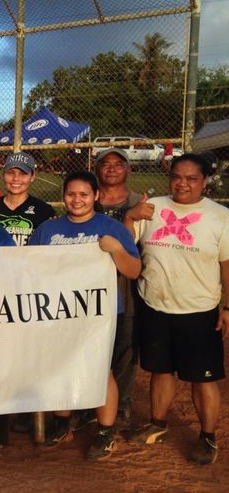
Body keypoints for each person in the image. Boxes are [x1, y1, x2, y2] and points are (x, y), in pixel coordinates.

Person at [28, 171, 141, 460]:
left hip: (99, 312)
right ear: (63, 196)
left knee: (100, 370)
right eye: (71, 194)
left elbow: (133, 271)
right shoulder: (48, 230)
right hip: (58, 312)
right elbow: (28, 268)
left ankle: (105, 431)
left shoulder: (112, 228)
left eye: (84, 194)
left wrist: (116, 249)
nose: (76, 200)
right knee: (61, 367)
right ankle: (63, 422)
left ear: (96, 196)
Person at [125, 153, 229, 465]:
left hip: (199, 310)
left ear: (205, 182)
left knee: (203, 378)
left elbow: (227, 267)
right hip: (156, 305)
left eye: (191, 178)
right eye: (176, 177)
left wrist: (228, 307)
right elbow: (126, 242)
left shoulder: (220, 217)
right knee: (161, 370)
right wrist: (131, 215)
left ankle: (207, 436)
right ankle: (157, 425)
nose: (182, 183)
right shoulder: (153, 207)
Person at [0, 152, 56, 453]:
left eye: (23, 174)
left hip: (27, 292)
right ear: (3, 175)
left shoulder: (43, 211)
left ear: (32, 177)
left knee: (27, 355)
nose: (16, 179)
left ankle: (26, 412)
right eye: (10, 173)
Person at [94, 147, 144, 426]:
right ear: (96, 169)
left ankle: (122, 402)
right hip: (92, 288)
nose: (111, 168)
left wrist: (132, 217)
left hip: (126, 285)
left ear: (128, 169)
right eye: (105, 164)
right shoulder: (87, 199)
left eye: (118, 163)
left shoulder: (139, 202)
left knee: (126, 344)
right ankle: (89, 402)